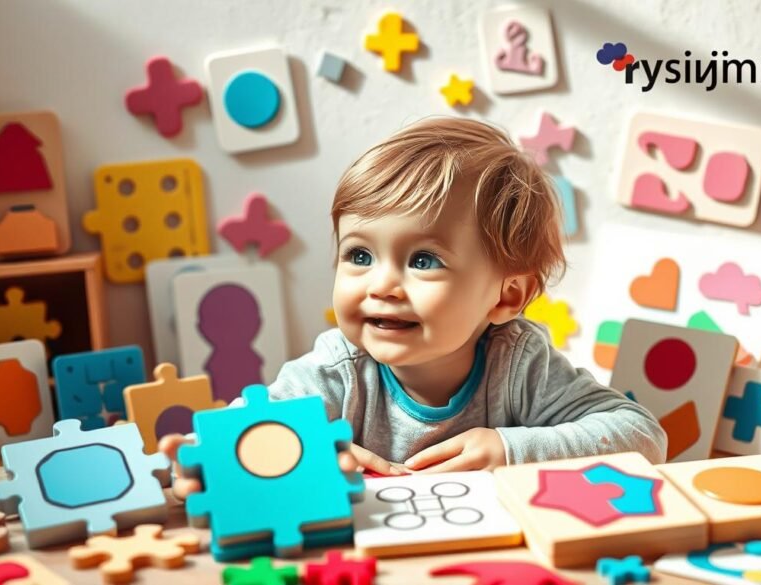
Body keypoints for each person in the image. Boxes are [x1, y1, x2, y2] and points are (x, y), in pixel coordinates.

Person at [161, 117, 667, 498]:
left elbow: (642, 435)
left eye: (423, 260)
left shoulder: (518, 363)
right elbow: (231, 439)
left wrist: (509, 450)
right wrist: (231, 461)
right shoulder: (336, 372)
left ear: (506, 296)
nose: (382, 284)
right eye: (360, 255)